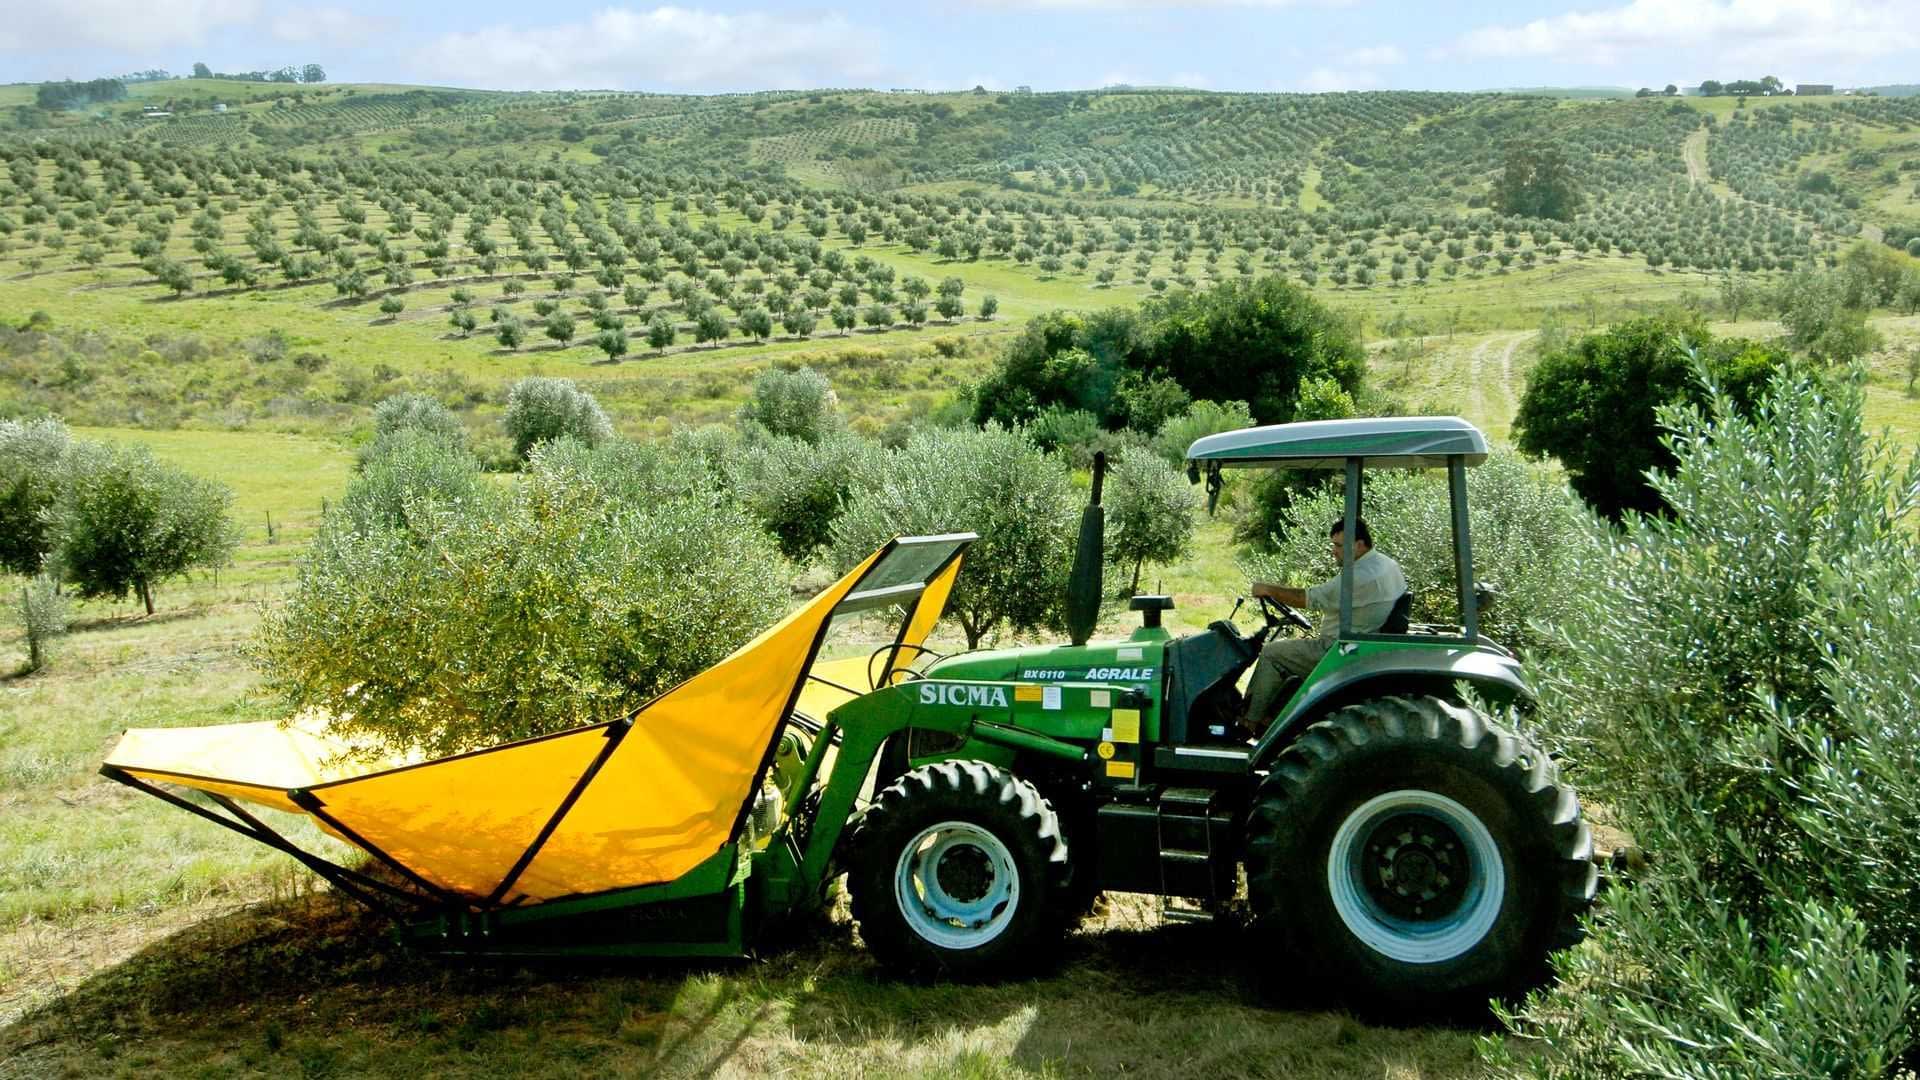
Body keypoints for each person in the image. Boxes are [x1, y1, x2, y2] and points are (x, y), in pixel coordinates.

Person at [1241, 517, 1406, 731]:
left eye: (1338, 546)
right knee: (1290, 653)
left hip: (1339, 649)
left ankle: (1249, 722)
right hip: (1360, 642)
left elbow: (1307, 598)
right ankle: (1272, 717)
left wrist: (1268, 589)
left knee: (1272, 653)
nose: (1333, 551)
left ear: (1359, 544)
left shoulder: (1358, 577)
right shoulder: (1385, 564)